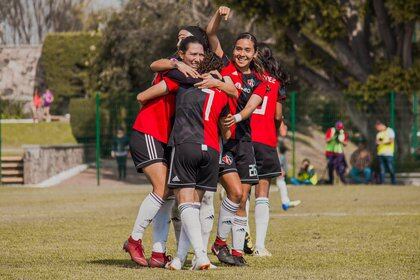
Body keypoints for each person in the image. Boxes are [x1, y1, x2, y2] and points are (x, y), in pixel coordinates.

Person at [148, 25, 238, 264]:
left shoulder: (196, 78)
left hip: (186, 143)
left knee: (188, 202)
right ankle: (178, 257)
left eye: (199, 53)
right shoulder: (183, 70)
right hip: (209, 147)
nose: (195, 57)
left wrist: (216, 82)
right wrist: (218, 84)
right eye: (181, 40)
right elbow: (155, 65)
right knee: (189, 202)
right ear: (181, 52)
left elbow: (143, 94)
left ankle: (198, 255)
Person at [206, 6, 268, 266]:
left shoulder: (260, 80)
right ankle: (219, 242)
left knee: (243, 197)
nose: (241, 54)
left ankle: (236, 250)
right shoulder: (224, 66)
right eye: (239, 49)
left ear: (254, 55)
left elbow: (251, 106)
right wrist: (219, 17)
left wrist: (237, 117)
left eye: (247, 50)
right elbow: (211, 34)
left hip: (244, 142)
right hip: (223, 143)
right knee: (233, 192)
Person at [277, 142, 301, 211]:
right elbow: (280, 164)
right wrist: (281, 171)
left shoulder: (281, 156)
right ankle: (285, 203)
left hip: (281, 177)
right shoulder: (281, 157)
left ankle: (286, 203)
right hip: (280, 177)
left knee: (283, 188)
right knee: (283, 188)